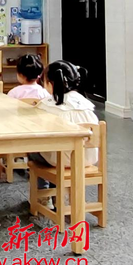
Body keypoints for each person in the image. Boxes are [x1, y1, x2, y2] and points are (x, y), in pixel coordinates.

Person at [30, 60, 99, 210]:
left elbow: (38, 135)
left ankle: (45, 195)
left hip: (58, 160)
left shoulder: (47, 105)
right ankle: (65, 194)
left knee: (33, 150)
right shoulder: (87, 104)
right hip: (87, 158)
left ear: (50, 83)